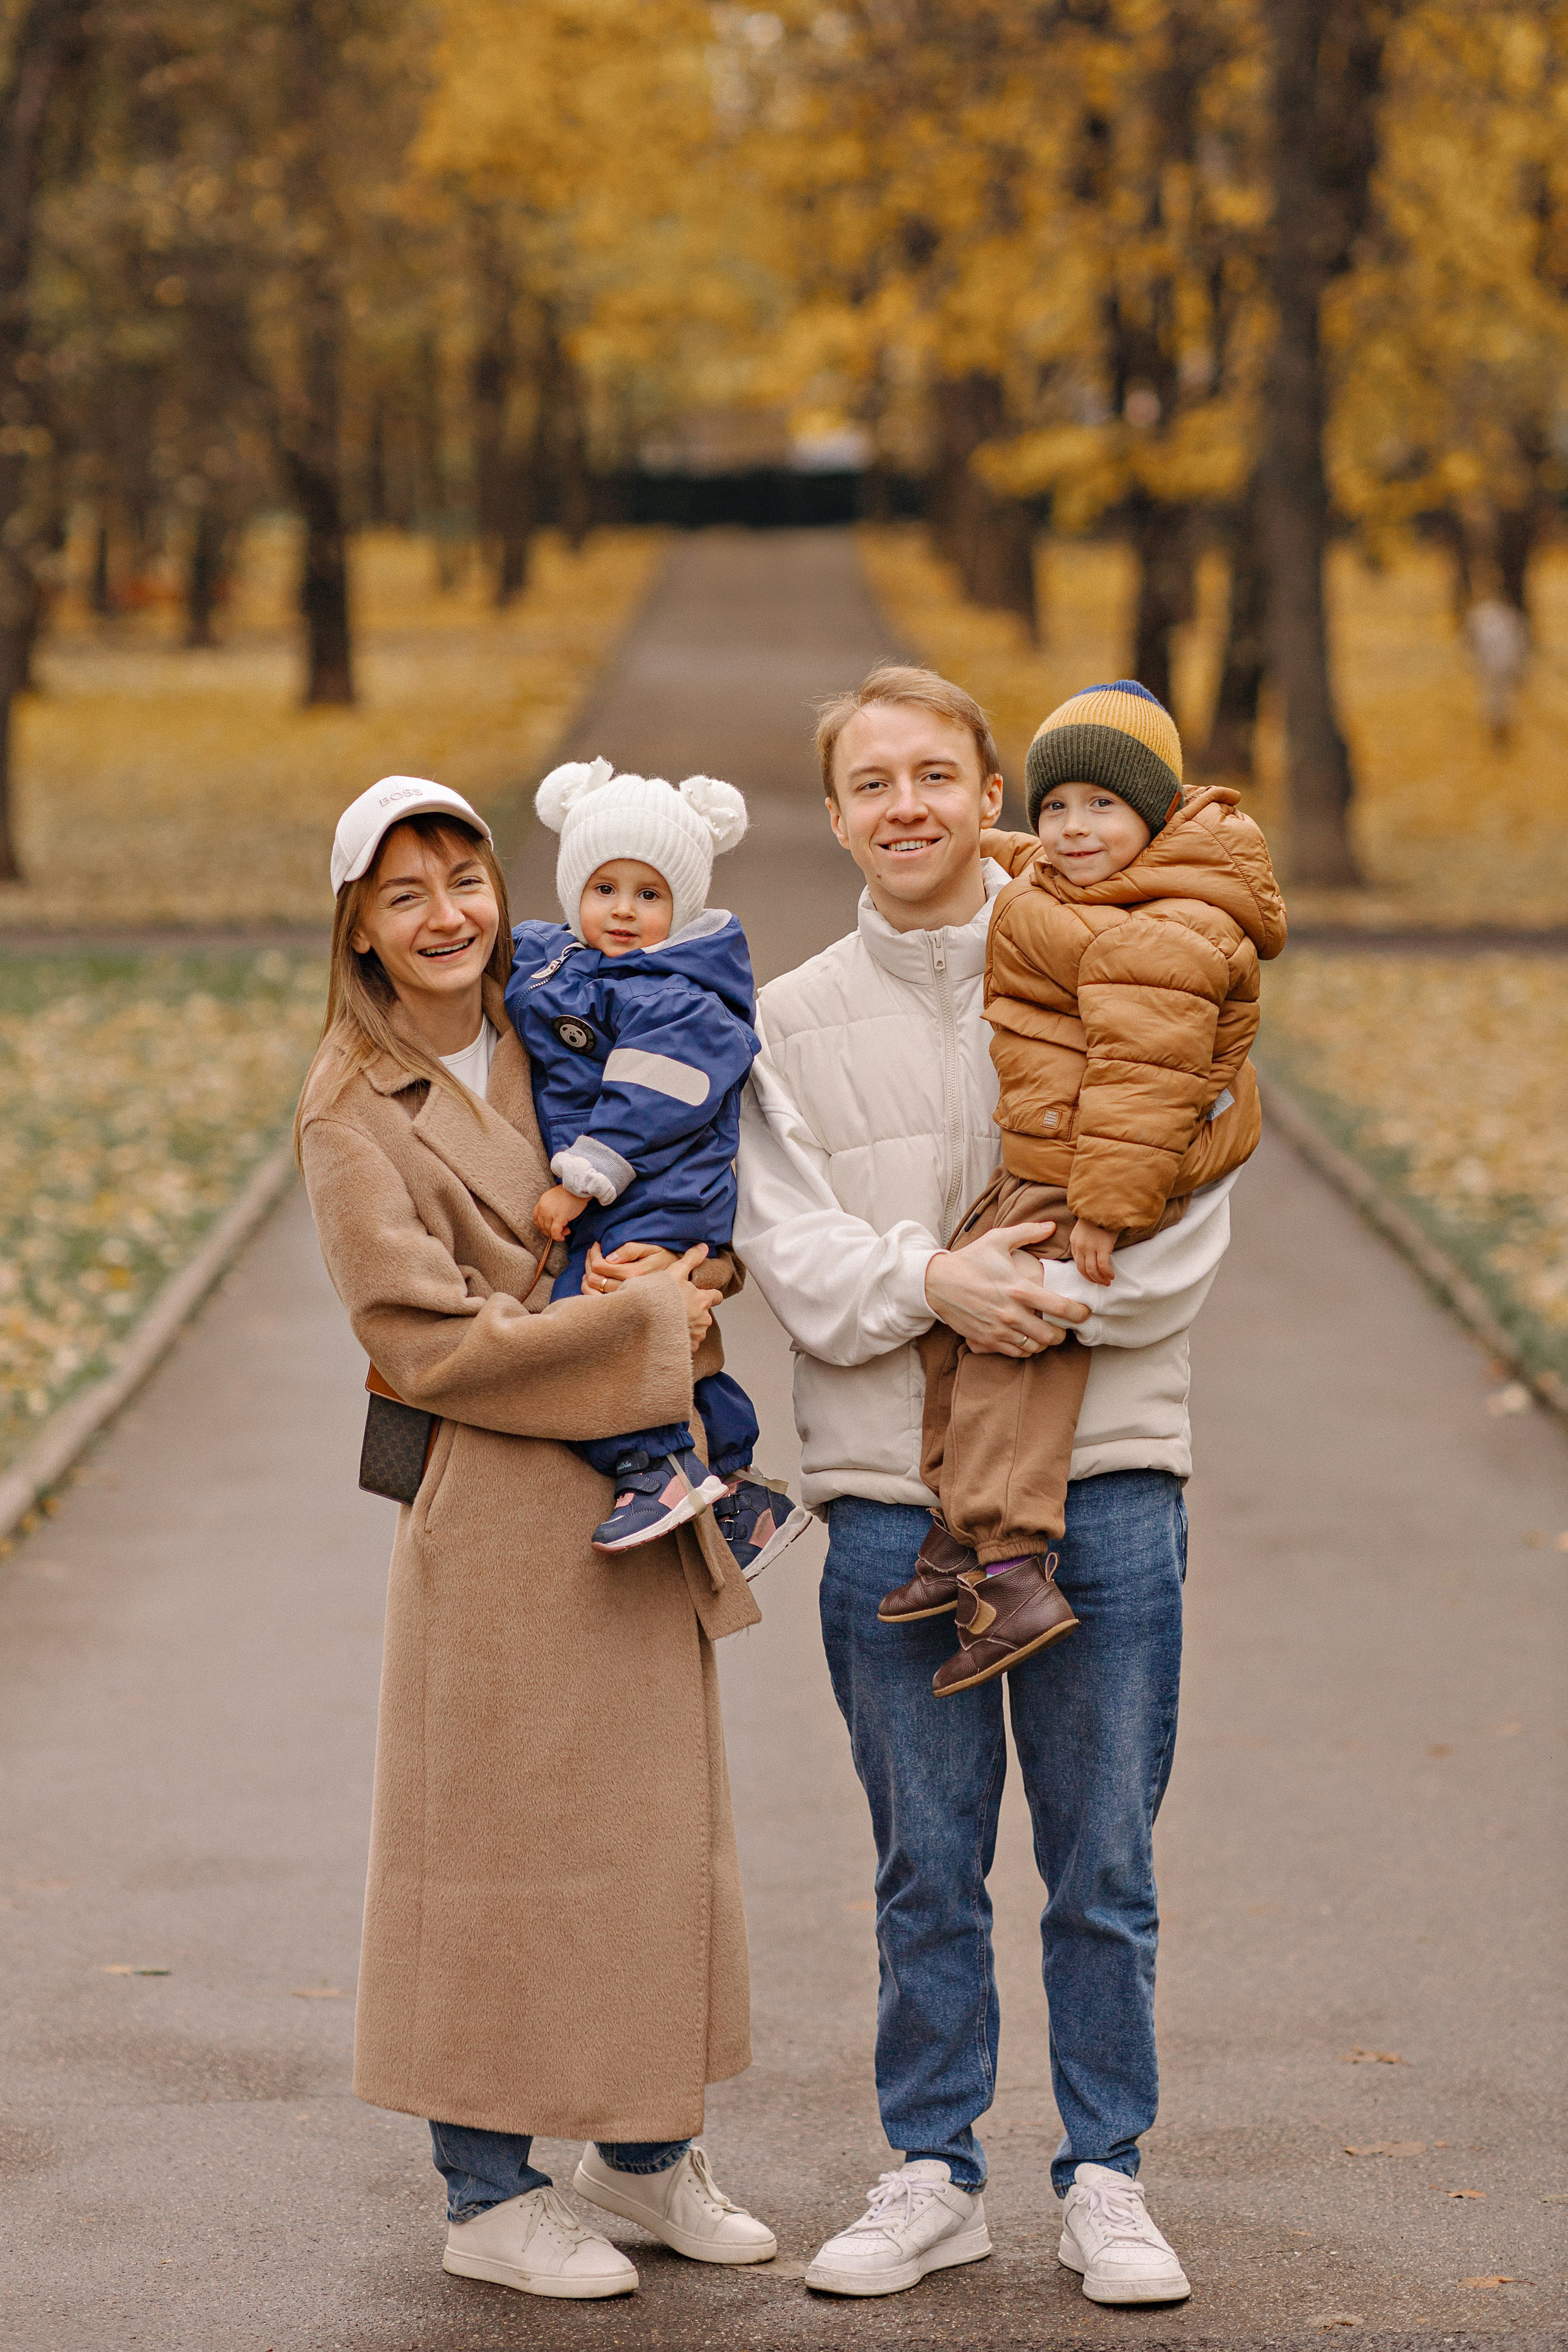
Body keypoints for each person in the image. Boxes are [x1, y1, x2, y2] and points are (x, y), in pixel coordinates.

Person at [734, 665, 1237, 2306]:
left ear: (990, 791)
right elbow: (793, 1258)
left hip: (1106, 1478)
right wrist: (935, 1287)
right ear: (836, 817)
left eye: (936, 774)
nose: (906, 806)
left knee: (1104, 1861)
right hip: (889, 1489)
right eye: (871, 782)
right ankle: (931, 2168)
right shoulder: (792, 1019)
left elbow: (1183, 1227)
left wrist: (1033, 1305)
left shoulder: (1133, 951)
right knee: (924, 1859)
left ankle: (1107, 2173)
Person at [296, 774, 778, 2302]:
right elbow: (424, 1340)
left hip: (644, 1486)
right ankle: (484, 2188)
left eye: (465, 881)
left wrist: (696, 1262)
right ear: (359, 931)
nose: (447, 918)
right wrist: (651, 1320)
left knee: (648, 1830)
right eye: (404, 896)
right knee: (491, 1848)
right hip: (498, 1504)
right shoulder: (349, 1107)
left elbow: (698, 1172)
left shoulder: (563, 1013)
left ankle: (639, 2155)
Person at [899, 680, 1286, 1694]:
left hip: (1082, 1173)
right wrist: (996, 850)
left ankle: (1012, 1562)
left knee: (1010, 1353)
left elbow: (1144, 1078)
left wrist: (1106, 1213)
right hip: (1050, 1153)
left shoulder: (1170, 928)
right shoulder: (1112, 885)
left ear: (1154, 816)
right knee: (956, 1326)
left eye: (1100, 808)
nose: (1072, 829)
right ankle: (958, 1527)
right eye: (1055, 806)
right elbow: (1057, 880)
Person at [507, 756, 809, 1575]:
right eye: (604, 889)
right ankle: (739, 1487)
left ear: (683, 907)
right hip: (638, 1191)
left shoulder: (682, 997)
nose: (624, 911)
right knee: (665, 1331)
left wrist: (580, 1183)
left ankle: (658, 1465)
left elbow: (654, 1099)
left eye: (650, 895)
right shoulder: (562, 961)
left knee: (598, 1316)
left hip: (661, 1192)